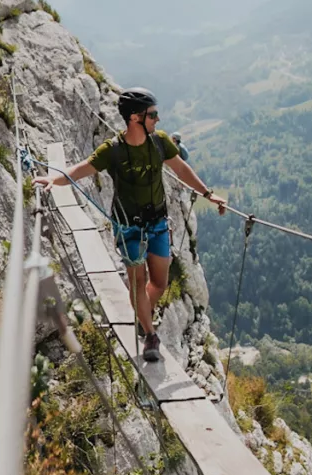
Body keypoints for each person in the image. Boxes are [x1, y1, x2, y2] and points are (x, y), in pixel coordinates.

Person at [33, 87, 226, 362]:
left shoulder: (159, 142)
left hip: (158, 222)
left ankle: (142, 311)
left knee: (158, 284)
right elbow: (84, 168)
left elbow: (181, 169)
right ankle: (150, 334)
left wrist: (208, 194)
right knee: (138, 281)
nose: (158, 120)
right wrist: (55, 180)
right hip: (128, 227)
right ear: (135, 117)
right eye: (153, 114)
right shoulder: (113, 150)